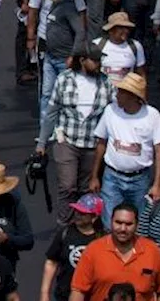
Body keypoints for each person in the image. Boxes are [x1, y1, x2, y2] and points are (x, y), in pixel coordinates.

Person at [37, 42, 114, 224]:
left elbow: (112, 114)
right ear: (82, 60)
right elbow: (52, 112)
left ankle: (82, 225)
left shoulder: (106, 83)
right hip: (67, 141)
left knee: (86, 188)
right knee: (67, 185)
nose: (98, 64)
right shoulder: (65, 79)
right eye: (94, 61)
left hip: (92, 144)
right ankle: (64, 224)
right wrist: (42, 143)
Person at [91, 73, 160, 226]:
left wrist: (158, 184)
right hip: (112, 177)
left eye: (121, 92)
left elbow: (159, 149)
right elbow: (101, 143)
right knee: (110, 222)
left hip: (140, 179)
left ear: (133, 96)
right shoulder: (110, 111)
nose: (117, 95)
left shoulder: (152, 115)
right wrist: (94, 176)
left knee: (139, 223)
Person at [69, 202, 160, 301]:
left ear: (137, 225)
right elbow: (78, 291)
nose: (123, 229)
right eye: (118, 222)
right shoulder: (93, 250)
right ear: (111, 222)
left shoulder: (152, 251)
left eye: (128, 224)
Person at [40, 194, 105, 301]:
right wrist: (44, 293)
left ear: (94, 217)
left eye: (83, 213)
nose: (77, 215)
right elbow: (51, 262)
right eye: (76, 210)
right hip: (64, 296)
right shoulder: (65, 233)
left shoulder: (103, 239)